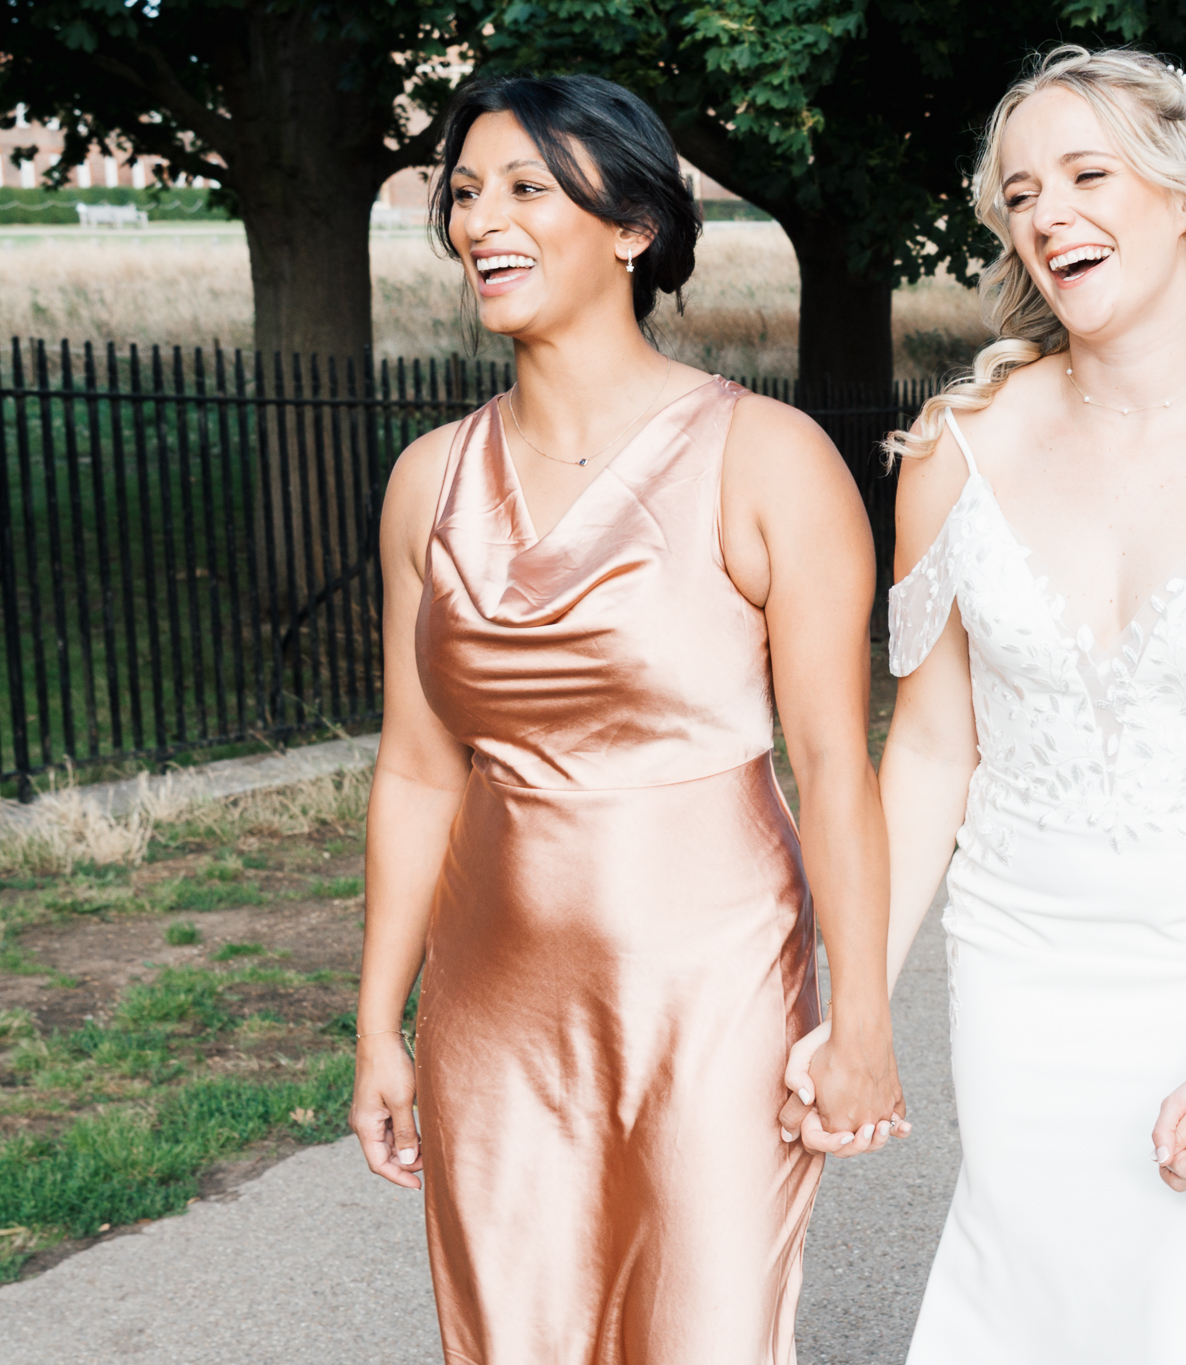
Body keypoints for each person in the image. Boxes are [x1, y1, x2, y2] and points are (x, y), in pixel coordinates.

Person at [346, 74, 904, 1365]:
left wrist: (864, 1019)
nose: (482, 220)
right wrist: (380, 1026)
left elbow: (834, 766)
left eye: (526, 188)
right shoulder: (427, 481)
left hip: (712, 998)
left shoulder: (767, 458)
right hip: (493, 1006)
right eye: (464, 193)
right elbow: (419, 773)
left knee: (704, 1334)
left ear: (633, 227)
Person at [859, 45, 1186, 1363]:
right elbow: (927, 753)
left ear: (1183, 197)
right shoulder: (953, 453)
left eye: (1086, 175)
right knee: (1028, 1312)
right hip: (1019, 967)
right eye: (1021, 194)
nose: (1049, 214)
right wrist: (854, 999)